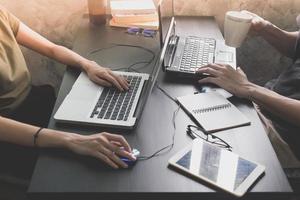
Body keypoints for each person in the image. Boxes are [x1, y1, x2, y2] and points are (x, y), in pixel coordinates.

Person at [0, 4, 136, 181]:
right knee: (82, 172)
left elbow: (51, 48)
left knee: (107, 132)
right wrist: (71, 140)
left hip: (33, 101)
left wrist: (88, 65)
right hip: (11, 133)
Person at [197, 11, 300, 168]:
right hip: (265, 103)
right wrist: (267, 28)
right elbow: (296, 46)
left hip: (284, 135)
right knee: (198, 109)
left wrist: (247, 88)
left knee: (205, 147)